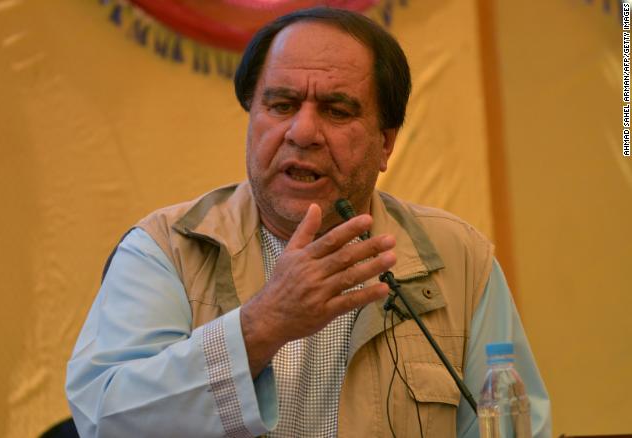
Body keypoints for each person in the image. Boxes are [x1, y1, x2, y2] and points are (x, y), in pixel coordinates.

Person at [65, 7, 551, 438]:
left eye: (337, 111)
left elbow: (511, 424)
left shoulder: (457, 258)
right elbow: (105, 419)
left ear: (385, 143)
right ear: (251, 116)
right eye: (280, 105)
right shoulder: (165, 250)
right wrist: (262, 325)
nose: (301, 132)